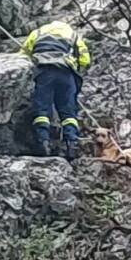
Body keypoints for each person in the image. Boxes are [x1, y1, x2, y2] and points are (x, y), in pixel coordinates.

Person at [21, 20, 90, 161]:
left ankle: (43, 143)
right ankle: (71, 145)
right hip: (66, 73)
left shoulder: (38, 32)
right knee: (68, 111)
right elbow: (85, 60)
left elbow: (23, 55)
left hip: (43, 72)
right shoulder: (72, 34)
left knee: (42, 108)